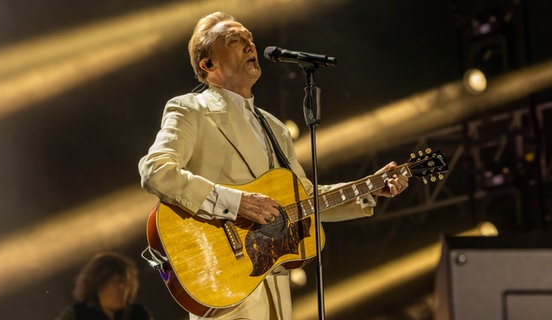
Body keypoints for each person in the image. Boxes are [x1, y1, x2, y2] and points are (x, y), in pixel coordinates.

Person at [138, 11, 409, 320]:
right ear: (208, 64)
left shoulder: (275, 127)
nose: (249, 44)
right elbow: (156, 171)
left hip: (274, 289)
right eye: (234, 39)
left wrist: (371, 187)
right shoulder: (190, 110)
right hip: (226, 285)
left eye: (249, 38)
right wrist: (237, 203)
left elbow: (306, 199)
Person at [55, 252, 153, 320]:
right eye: (117, 282)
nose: (123, 287)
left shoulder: (139, 314)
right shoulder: (76, 315)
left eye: (125, 282)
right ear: (98, 283)